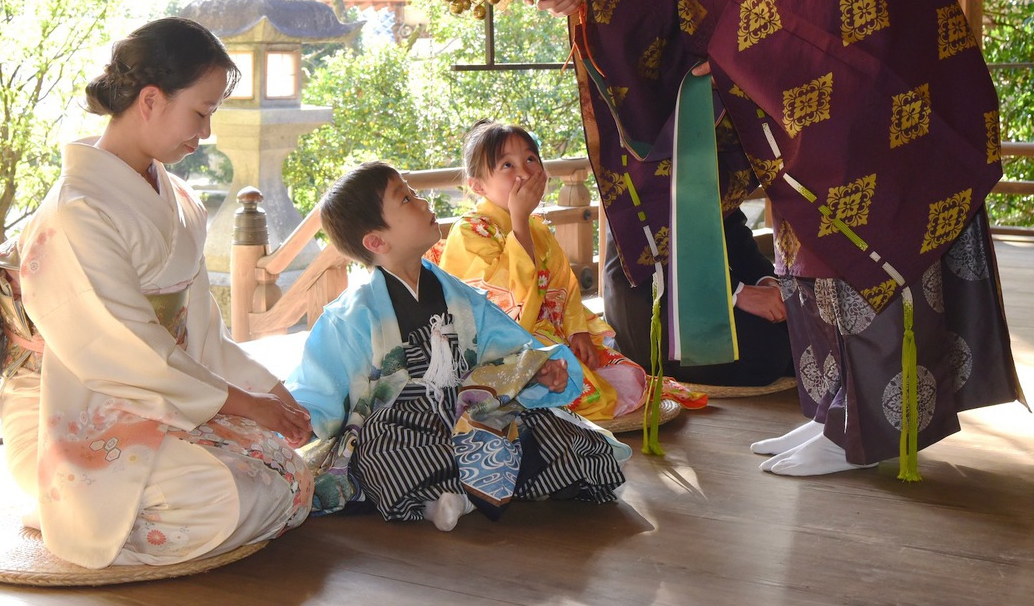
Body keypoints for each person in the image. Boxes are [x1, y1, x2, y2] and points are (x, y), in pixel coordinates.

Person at [537, 0, 1022, 478]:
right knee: (803, 262)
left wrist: (729, 48)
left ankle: (868, 432)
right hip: (787, 103)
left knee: (859, 251)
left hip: (873, 98)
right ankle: (833, 415)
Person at [5, 16, 312, 569]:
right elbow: (127, 352)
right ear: (150, 100)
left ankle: (117, 509)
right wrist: (247, 407)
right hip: (76, 405)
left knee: (287, 471)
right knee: (226, 499)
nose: (207, 132)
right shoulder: (78, 210)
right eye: (202, 111)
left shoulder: (180, 199)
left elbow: (201, 336)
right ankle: (62, 508)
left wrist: (271, 394)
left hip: (160, 394)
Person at [286, 161, 629, 532]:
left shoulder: (460, 296)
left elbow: (506, 349)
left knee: (553, 428)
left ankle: (461, 494)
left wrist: (536, 370)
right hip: (405, 426)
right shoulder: (349, 317)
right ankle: (461, 494)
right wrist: (301, 420)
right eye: (406, 198)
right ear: (377, 242)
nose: (422, 201)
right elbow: (319, 385)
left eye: (414, 192)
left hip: (472, 415)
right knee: (379, 448)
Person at [435, 119, 704, 420]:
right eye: (507, 166)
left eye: (530, 159)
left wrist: (578, 331)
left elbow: (565, 285)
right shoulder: (470, 230)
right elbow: (499, 306)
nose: (525, 172)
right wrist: (520, 221)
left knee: (629, 376)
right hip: (506, 349)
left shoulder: (537, 228)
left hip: (552, 334)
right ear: (477, 185)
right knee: (591, 392)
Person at [602, 207, 793, 389]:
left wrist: (764, 281)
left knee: (798, 332)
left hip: (703, 289)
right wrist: (737, 292)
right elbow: (658, 245)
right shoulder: (643, 174)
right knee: (770, 350)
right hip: (650, 303)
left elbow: (732, 226)